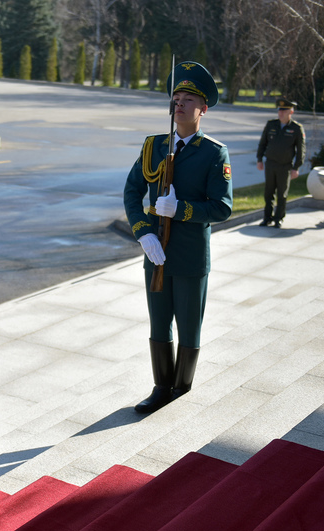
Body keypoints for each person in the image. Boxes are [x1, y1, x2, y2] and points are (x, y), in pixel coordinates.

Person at [123, 61, 233, 414]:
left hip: (189, 255)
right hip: (156, 252)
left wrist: (181, 209)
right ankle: (160, 386)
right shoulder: (153, 146)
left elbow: (222, 207)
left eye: (188, 99)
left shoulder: (214, 153)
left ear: (203, 109)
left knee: (188, 325)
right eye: (176, 98)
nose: (179, 104)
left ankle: (181, 387)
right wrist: (143, 233)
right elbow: (131, 192)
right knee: (159, 322)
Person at [256, 98, 306, 228]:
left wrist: (296, 167)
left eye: (284, 111)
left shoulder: (296, 128)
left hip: (285, 166)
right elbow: (263, 143)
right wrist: (259, 159)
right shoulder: (271, 125)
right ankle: (267, 218)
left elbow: (301, 150)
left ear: (291, 112)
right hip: (270, 164)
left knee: (282, 194)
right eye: (279, 110)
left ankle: (278, 218)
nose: (281, 113)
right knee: (268, 193)